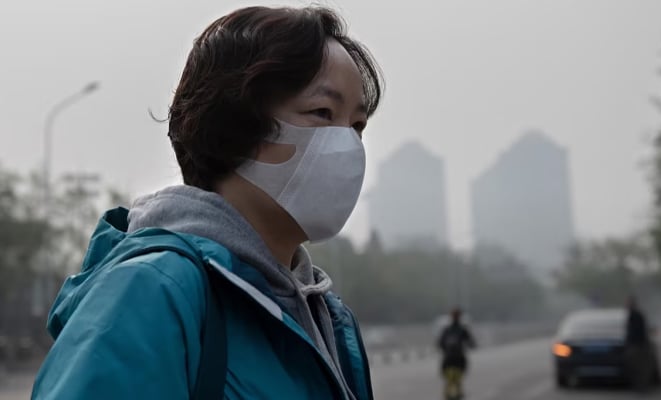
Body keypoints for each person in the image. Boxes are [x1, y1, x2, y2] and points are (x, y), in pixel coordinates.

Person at [32, 6, 382, 400]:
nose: (349, 146)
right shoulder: (152, 292)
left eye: (357, 126)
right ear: (236, 124)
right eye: (322, 112)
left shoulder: (330, 320)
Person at [438, 308, 476, 400]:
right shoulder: (463, 330)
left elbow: (439, 343)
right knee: (458, 377)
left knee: (448, 379)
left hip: (448, 360)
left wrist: (445, 350)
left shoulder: (446, 330)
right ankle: (458, 391)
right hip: (459, 359)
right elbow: (472, 343)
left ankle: (448, 392)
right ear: (460, 317)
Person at [624, 295, 651, 390]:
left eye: (628, 303)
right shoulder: (633, 314)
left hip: (637, 345)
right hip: (636, 344)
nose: (626, 305)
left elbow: (637, 331)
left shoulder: (635, 315)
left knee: (638, 366)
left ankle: (641, 385)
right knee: (637, 366)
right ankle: (640, 385)